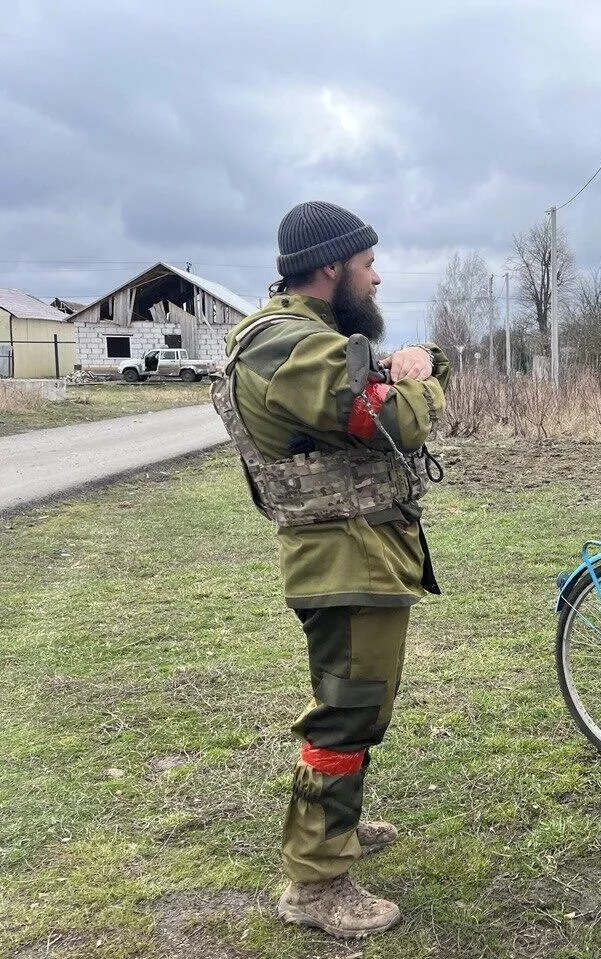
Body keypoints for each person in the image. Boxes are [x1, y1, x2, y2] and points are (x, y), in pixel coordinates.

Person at [211, 201, 450, 938]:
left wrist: (416, 363)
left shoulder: (311, 339)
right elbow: (390, 420)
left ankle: (335, 832)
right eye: (366, 263)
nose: (375, 277)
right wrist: (423, 377)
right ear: (329, 267)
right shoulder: (284, 347)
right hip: (342, 557)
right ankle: (315, 885)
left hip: (361, 552)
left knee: (356, 709)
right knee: (346, 714)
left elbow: (378, 389)